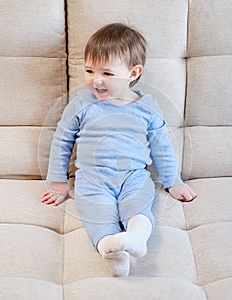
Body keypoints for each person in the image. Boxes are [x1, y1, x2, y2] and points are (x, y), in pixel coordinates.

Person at [40, 23, 197, 277]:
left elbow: (162, 146)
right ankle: (110, 251)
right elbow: (62, 140)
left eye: (107, 74)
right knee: (97, 215)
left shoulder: (147, 106)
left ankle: (136, 238)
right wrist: (58, 181)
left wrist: (173, 181)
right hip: (92, 179)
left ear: (133, 72)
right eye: (89, 70)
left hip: (133, 175)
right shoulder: (81, 103)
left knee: (139, 207)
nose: (96, 80)